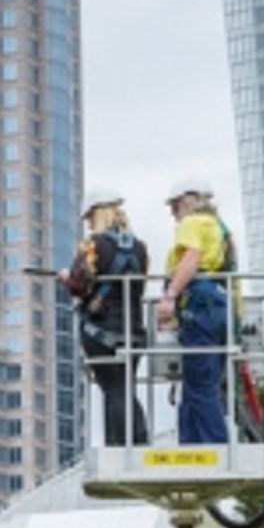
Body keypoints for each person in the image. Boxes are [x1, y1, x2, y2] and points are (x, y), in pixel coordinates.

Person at [60, 187, 150, 446]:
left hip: (100, 332)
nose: (88, 224)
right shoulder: (140, 248)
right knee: (123, 388)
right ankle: (122, 445)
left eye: (89, 218)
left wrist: (67, 277)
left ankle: (133, 443)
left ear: (97, 214)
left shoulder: (93, 245)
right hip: (133, 330)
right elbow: (139, 286)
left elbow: (79, 285)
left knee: (114, 390)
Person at [156, 179, 236, 445]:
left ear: (186, 202)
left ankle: (216, 449)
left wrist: (170, 297)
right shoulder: (219, 228)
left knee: (200, 386)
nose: (173, 215)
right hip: (217, 307)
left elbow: (191, 258)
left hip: (200, 306)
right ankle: (191, 444)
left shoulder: (192, 223)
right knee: (197, 385)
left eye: (175, 207)